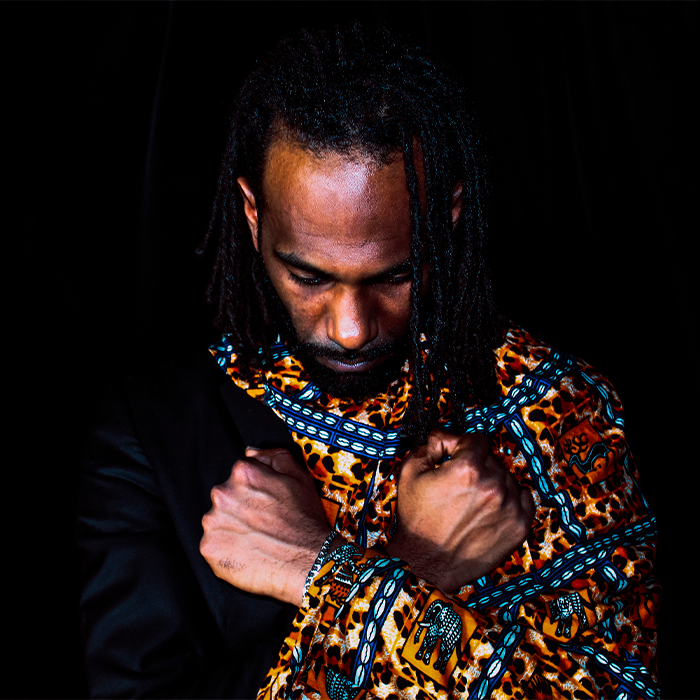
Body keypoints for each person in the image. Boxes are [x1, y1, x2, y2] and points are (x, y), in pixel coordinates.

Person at [77, 23, 661, 699]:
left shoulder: (561, 412)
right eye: (308, 277)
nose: (351, 329)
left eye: (394, 276)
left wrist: (318, 572)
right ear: (253, 217)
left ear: (447, 217)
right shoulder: (155, 437)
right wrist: (422, 562)